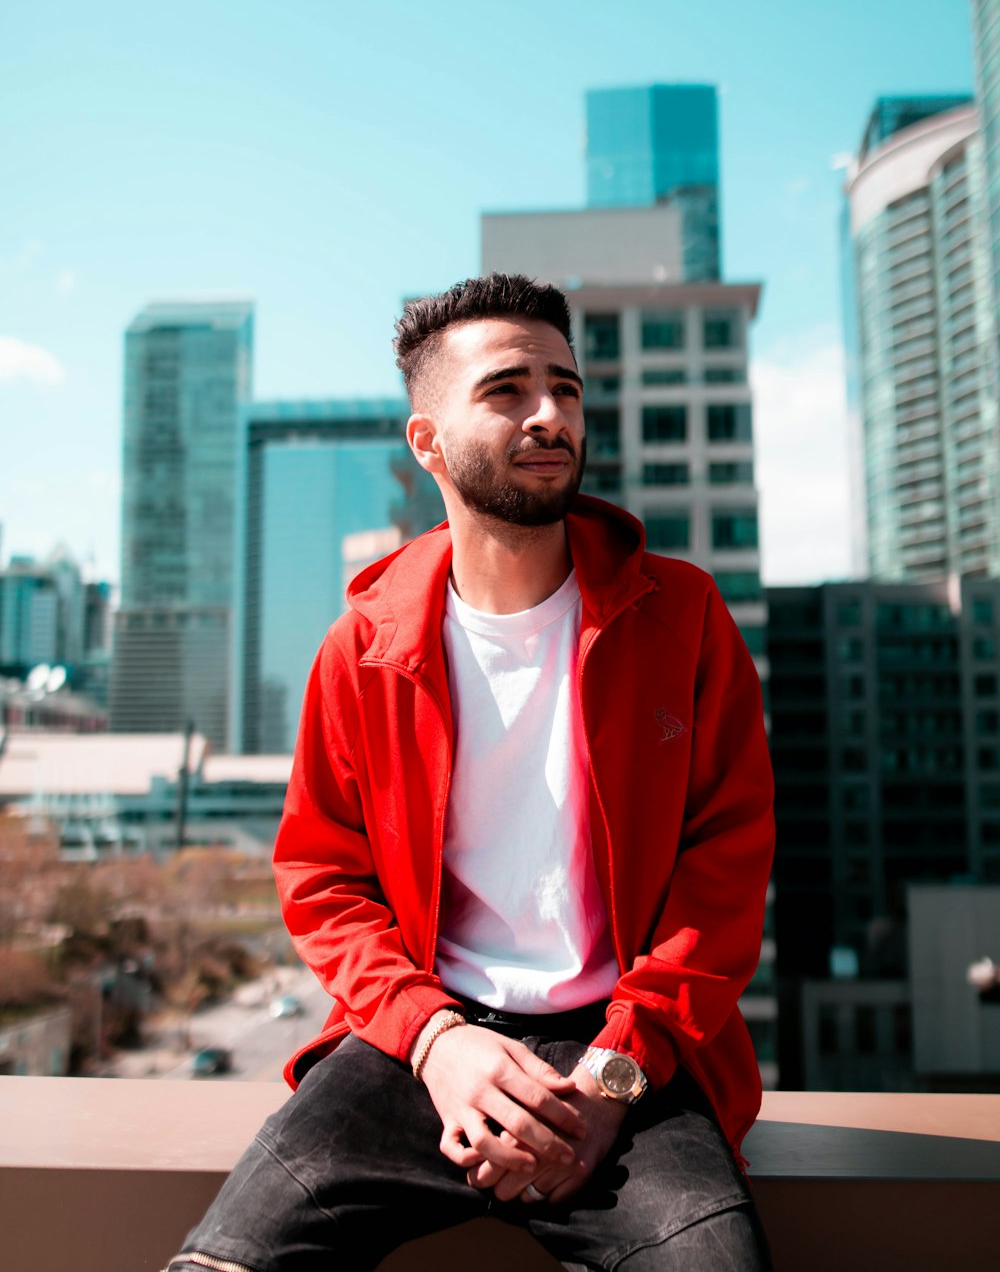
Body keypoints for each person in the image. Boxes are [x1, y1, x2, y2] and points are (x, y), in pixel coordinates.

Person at [165, 272, 775, 1272]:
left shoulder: (683, 616)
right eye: (506, 390)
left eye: (566, 390)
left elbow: (727, 865)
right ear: (426, 441)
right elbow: (322, 881)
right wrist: (436, 1042)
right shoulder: (361, 644)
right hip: (418, 1037)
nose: (549, 416)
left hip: (625, 1048)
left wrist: (615, 1076)